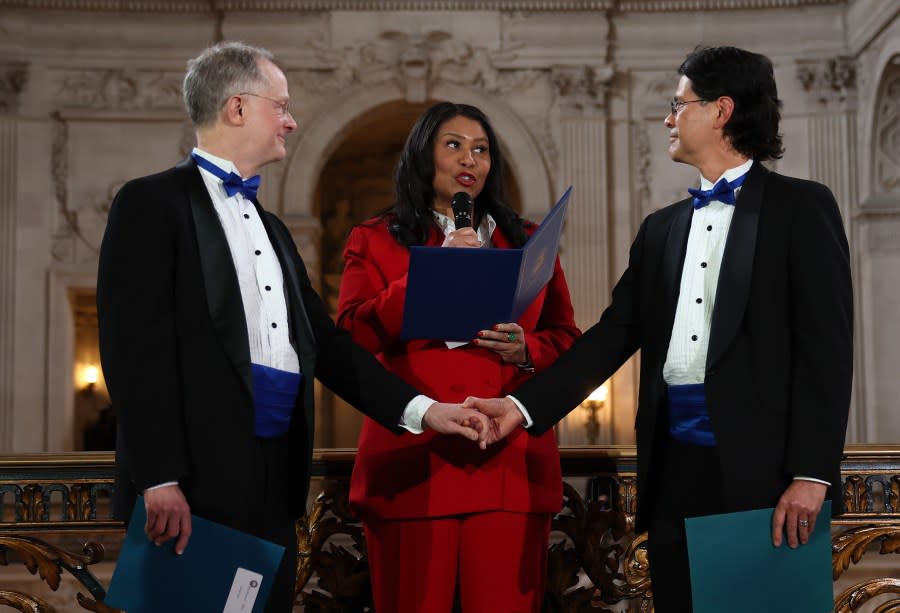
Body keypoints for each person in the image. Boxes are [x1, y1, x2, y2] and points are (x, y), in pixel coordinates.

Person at [96, 42, 489, 613]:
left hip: (275, 479)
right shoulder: (149, 203)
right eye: (279, 106)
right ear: (237, 108)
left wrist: (424, 410)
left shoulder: (274, 229)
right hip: (191, 485)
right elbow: (134, 351)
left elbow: (327, 347)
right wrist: (157, 477)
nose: (291, 119)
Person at [465, 46, 853, 612]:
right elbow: (612, 335)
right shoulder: (660, 230)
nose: (669, 118)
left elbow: (827, 351)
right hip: (673, 474)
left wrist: (813, 473)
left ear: (721, 111)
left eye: (679, 104)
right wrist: (522, 408)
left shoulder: (802, 208)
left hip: (767, 480)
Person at [336, 101, 581, 613]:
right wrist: (431, 270)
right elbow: (348, 340)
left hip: (509, 465)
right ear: (423, 156)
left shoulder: (530, 240)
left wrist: (527, 348)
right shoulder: (375, 239)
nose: (469, 158)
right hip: (412, 465)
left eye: (481, 148)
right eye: (453, 144)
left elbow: (567, 339)